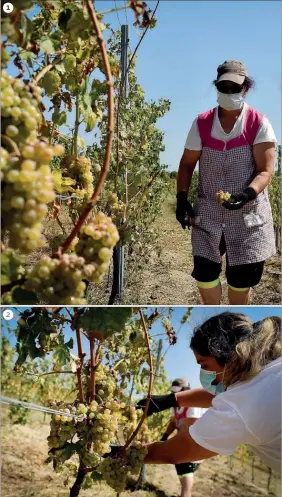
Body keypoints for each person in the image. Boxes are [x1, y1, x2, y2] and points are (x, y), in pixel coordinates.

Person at [176, 60, 277, 305]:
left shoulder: (258, 124)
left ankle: (232, 317)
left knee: (241, 281)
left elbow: (265, 171)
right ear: (217, 87)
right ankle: (214, 313)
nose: (229, 92)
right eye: (224, 87)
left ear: (246, 89)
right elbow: (187, 164)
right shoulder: (201, 123)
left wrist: (247, 194)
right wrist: (181, 199)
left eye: (235, 87)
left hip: (247, 216)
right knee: (205, 274)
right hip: (208, 213)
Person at [136, 312, 281, 473]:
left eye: (204, 365)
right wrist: (171, 399)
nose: (204, 374)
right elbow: (226, 394)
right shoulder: (268, 370)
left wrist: (124, 452)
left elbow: (178, 450)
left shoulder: (242, 405)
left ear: (229, 357)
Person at [161, 378, 206, 497]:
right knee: (180, 466)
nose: (174, 395)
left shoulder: (193, 404)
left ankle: (185, 494)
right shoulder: (175, 406)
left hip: (194, 443)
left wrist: (172, 444)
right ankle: (184, 492)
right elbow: (172, 422)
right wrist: (165, 436)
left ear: (186, 390)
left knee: (186, 468)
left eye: (177, 392)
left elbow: (191, 429)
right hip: (182, 442)